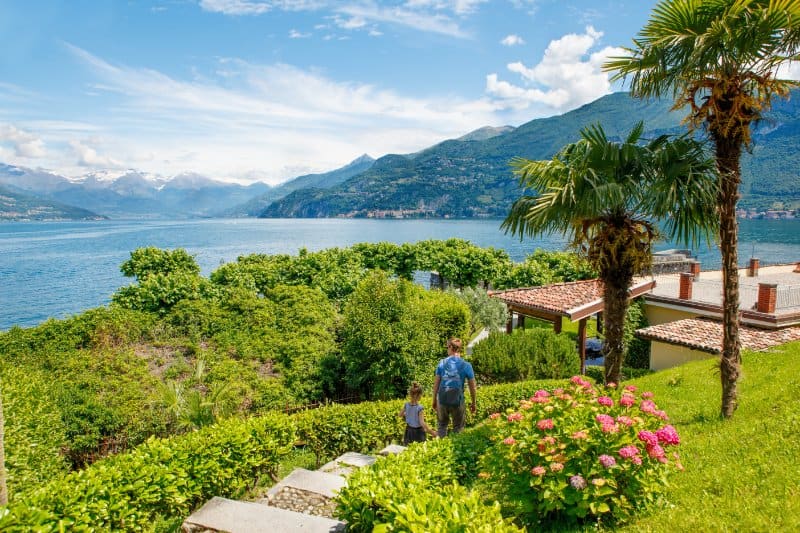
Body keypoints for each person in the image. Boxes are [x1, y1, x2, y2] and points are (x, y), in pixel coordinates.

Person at [432, 337, 477, 437]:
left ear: (451, 347)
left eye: (447, 347)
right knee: (458, 428)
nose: (447, 349)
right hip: (458, 401)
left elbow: (436, 384)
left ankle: (439, 450)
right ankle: (456, 449)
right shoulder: (466, 365)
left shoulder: (442, 363)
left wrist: (434, 400)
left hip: (442, 400)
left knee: (442, 426)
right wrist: (474, 403)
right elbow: (472, 387)